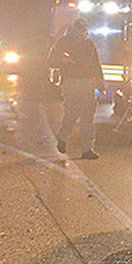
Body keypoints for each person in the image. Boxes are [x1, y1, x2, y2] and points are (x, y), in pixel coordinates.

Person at [47, 16, 103, 160]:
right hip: (71, 83)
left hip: (87, 83)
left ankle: (87, 150)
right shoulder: (63, 43)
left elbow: (96, 66)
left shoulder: (89, 44)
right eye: (78, 30)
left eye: (83, 30)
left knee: (87, 118)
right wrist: (63, 61)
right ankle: (63, 138)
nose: (81, 33)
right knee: (71, 113)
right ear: (73, 30)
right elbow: (51, 62)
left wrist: (100, 85)